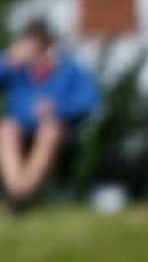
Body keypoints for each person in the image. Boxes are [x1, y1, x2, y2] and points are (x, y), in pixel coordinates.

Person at [0, 19, 101, 213]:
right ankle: (18, 189)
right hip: (21, 127)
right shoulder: (16, 67)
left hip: (57, 129)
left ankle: (20, 194)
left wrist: (58, 107)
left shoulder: (70, 69)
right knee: (6, 128)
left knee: (49, 130)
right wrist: (8, 60)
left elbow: (91, 100)